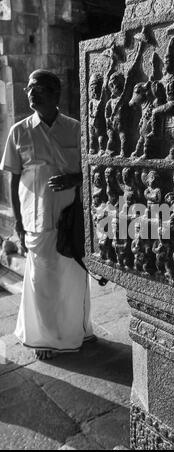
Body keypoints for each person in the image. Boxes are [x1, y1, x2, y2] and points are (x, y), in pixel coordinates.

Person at [0, 69, 93, 360]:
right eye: (28, 88)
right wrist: (16, 220)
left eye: (37, 88)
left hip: (71, 219)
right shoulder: (20, 131)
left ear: (55, 94)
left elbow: (92, 171)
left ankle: (78, 330)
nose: (30, 93)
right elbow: (13, 180)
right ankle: (44, 338)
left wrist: (74, 180)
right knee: (43, 280)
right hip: (36, 219)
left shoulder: (75, 128)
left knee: (74, 278)